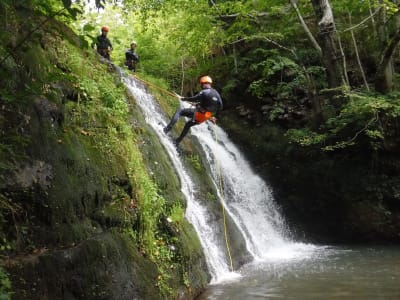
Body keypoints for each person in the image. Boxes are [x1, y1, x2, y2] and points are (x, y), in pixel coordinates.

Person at [163, 75, 223, 145]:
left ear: (204, 83)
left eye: (202, 84)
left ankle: (167, 129)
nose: (201, 86)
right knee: (188, 125)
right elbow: (220, 106)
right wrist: (216, 117)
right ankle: (177, 142)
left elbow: (194, 98)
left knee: (180, 111)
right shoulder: (216, 93)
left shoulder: (204, 92)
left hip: (199, 113)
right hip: (205, 116)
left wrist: (184, 99)